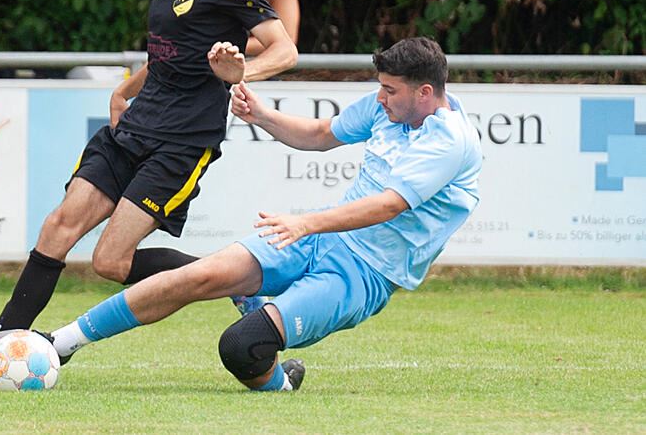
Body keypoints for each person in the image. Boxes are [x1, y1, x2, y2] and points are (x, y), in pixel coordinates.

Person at [0, 0, 297, 376]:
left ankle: (233, 280)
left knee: (110, 263)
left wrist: (240, 73)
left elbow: (284, 49)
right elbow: (169, 53)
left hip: (182, 142)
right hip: (134, 127)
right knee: (58, 226)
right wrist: (126, 89)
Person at [48, 37, 482, 393]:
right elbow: (319, 134)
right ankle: (59, 343)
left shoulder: (450, 141)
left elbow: (389, 205)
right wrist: (260, 115)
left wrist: (306, 221)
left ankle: (281, 380)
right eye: (381, 87)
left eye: (390, 90)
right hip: (319, 235)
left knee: (240, 346)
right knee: (197, 276)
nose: (380, 97)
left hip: (365, 273)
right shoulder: (385, 106)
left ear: (424, 93)